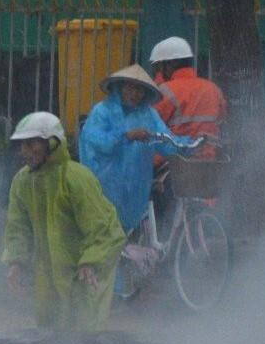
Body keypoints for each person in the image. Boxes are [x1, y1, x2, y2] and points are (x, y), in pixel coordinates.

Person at [2, 111, 126, 333]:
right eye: (23, 145)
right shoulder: (22, 182)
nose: (25, 152)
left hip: (83, 268)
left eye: (32, 144)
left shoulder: (76, 178)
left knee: (85, 330)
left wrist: (91, 261)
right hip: (48, 268)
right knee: (49, 328)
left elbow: (105, 228)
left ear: (52, 143)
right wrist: (16, 261)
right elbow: (17, 227)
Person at [78, 64, 200, 234]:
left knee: (125, 231)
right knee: (105, 231)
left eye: (139, 89)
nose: (135, 94)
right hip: (104, 184)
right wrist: (125, 136)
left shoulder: (148, 115)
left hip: (135, 186)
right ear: (119, 87)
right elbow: (95, 141)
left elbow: (164, 139)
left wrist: (186, 145)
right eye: (130, 88)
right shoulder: (102, 112)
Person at [147, 35, 227, 158]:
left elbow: (151, 123)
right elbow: (222, 117)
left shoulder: (165, 89)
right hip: (210, 157)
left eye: (158, 67)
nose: (157, 72)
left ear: (169, 65)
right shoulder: (213, 88)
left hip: (176, 159)